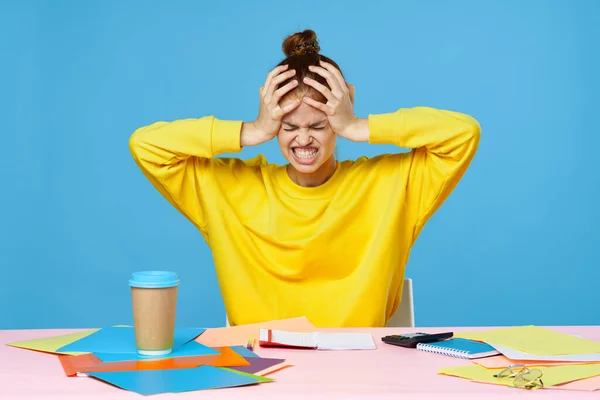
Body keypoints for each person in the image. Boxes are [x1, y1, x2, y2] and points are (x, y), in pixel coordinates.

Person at [129, 30, 480, 328]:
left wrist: (359, 126)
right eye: (287, 127)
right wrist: (250, 131)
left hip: (363, 373)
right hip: (262, 374)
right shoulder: (228, 189)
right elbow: (146, 145)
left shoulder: (393, 184)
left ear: (343, 111)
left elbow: (463, 134)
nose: (303, 140)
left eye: (318, 125)